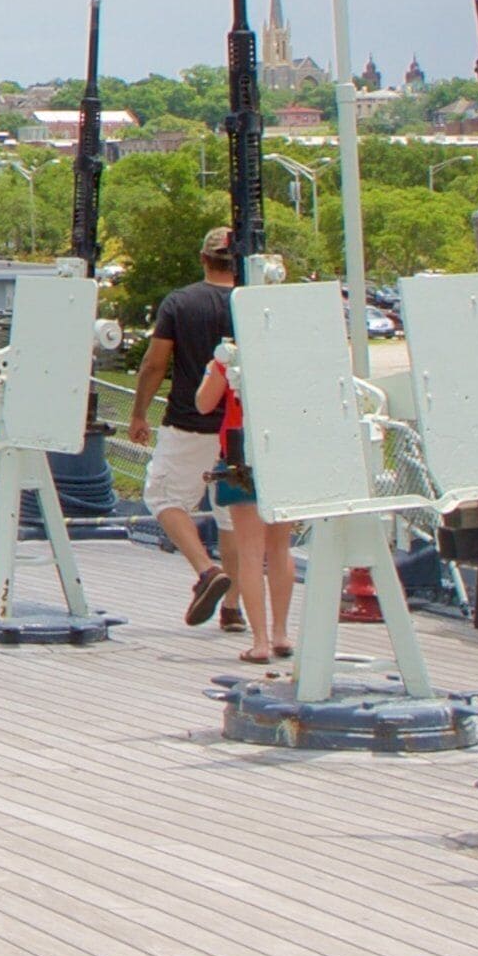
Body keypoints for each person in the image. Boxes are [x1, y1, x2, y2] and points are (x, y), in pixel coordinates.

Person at [127, 228, 243, 635]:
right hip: (241, 429)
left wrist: (139, 413)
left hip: (190, 423)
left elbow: (156, 363)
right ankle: (233, 608)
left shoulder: (180, 303)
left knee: (163, 497)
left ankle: (206, 571)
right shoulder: (254, 301)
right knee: (234, 517)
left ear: (203, 258)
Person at [198, 335, 298, 664]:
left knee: (251, 552)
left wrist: (215, 368)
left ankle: (260, 642)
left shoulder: (230, 356)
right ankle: (281, 632)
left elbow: (204, 403)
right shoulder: (286, 352)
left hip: (241, 454)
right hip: (282, 452)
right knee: (280, 548)